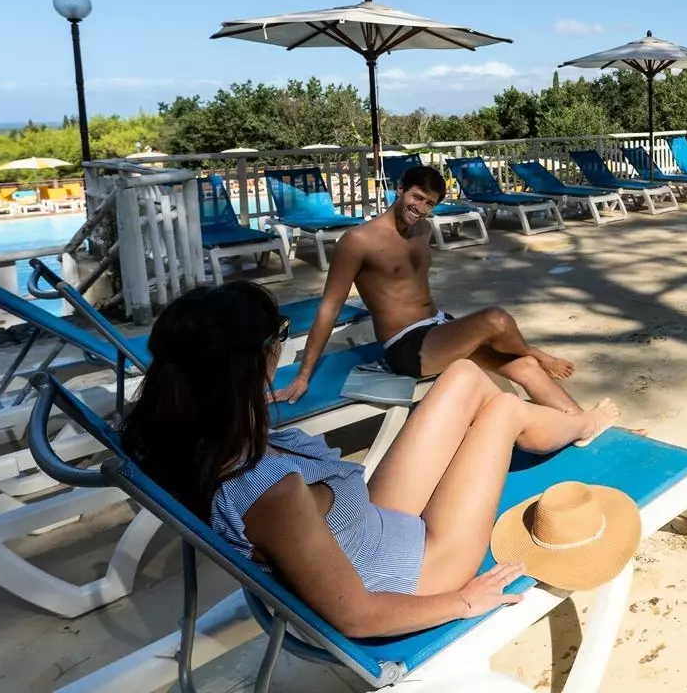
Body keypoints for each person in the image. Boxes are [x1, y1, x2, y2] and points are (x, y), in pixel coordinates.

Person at [120, 282, 619, 637]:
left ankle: (547, 426)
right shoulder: (270, 494)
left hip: (363, 524)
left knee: (465, 375)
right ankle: (578, 425)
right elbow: (357, 616)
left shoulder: (202, 433)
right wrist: (464, 600)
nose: (282, 344)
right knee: (504, 411)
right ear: (257, 361)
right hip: (419, 571)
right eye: (279, 334)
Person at [273, 165, 581, 413]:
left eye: (429, 203)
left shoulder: (422, 229)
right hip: (407, 346)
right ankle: (533, 350)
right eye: (417, 197)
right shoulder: (358, 241)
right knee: (496, 319)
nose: (420, 208)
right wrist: (303, 376)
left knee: (523, 366)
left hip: (438, 327)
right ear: (400, 190)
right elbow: (329, 308)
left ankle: (582, 422)